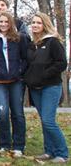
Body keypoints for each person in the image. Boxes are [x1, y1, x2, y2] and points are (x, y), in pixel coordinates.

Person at [24, 12, 68, 163]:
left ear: (45, 25)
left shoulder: (53, 42)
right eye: (33, 22)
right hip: (35, 88)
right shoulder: (31, 45)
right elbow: (29, 65)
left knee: (49, 121)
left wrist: (44, 74)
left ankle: (62, 153)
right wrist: (29, 79)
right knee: (44, 121)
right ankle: (49, 151)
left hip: (51, 86)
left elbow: (62, 63)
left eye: (38, 23)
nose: (35, 25)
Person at [0, 12, 28, 157]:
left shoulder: (19, 38)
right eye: (1, 22)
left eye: (6, 22)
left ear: (11, 23)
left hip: (16, 81)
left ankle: (19, 146)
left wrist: (19, 71)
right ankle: (4, 144)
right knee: (2, 113)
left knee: (17, 113)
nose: (3, 24)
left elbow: (25, 58)